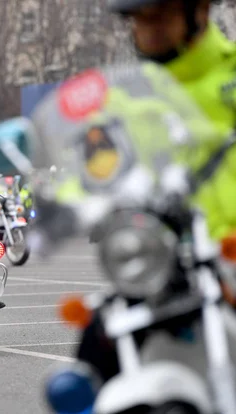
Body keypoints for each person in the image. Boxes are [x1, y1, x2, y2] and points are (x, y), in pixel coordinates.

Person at [71, 0, 236, 385]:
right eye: (138, 19)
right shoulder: (120, 97)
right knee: (96, 346)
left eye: (161, 15)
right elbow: (92, 166)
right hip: (165, 261)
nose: (149, 28)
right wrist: (76, 196)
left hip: (230, 252)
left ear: (200, 12)